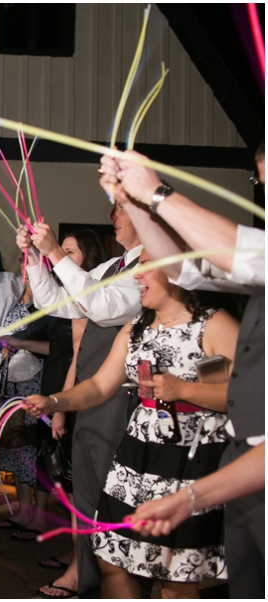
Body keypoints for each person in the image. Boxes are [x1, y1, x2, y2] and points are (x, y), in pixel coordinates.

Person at [100, 145, 265, 598]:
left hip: (201, 455)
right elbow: (185, 266)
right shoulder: (141, 325)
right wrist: (138, 202)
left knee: (182, 578)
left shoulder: (211, 326)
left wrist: (154, 192)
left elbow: (242, 252)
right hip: (231, 467)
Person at [25, 250, 239, 597]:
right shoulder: (136, 329)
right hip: (133, 462)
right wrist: (54, 401)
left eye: (146, 270)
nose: (136, 277)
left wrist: (182, 388)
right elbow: (98, 386)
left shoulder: (209, 327)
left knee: (176, 574)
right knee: (113, 558)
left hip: (187, 464)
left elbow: (236, 394)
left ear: (177, 273)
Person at [17, 205, 143, 597]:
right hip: (90, 396)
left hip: (120, 397)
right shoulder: (110, 267)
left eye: (121, 209)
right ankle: (89, 582)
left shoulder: (151, 266)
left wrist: (55, 253)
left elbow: (105, 310)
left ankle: (117, 585)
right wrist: (36, 260)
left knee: (111, 502)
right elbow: (62, 303)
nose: (112, 216)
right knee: (86, 498)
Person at [32, 229, 108, 599]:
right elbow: (76, 358)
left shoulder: (99, 293)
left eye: (69, 252)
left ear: (87, 258)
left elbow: (81, 357)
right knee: (77, 490)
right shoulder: (75, 297)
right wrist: (60, 404)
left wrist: (62, 404)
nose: (60, 257)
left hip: (99, 396)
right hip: (77, 394)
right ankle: (78, 559)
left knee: (87, 492)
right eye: (58, 251)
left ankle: (82, 569)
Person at [0, 244, 46, 537]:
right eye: (24, 262)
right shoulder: (15, 295)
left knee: (32, 445)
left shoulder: (46, 303)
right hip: (9, 380)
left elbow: (48, 345)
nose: (26, 269)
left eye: (34, 263)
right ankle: (23, 510)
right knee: (14, 447)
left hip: (32, 381)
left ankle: (38, 516)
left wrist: (17, 345)